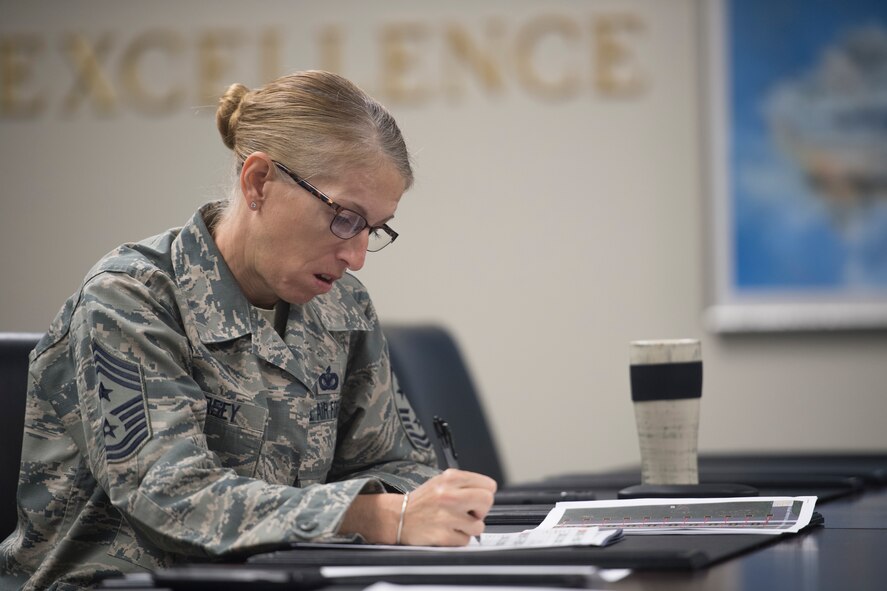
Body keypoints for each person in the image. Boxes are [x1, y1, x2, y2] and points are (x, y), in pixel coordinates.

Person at [0, 70, 497, 590]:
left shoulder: (341, 306)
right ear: (259, 181)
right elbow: (172, 496)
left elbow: (400, 463)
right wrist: (370, 515)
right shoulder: (132, 297)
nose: (356, 257)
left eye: (374, 229)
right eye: (345, 218)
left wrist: (412, 506)